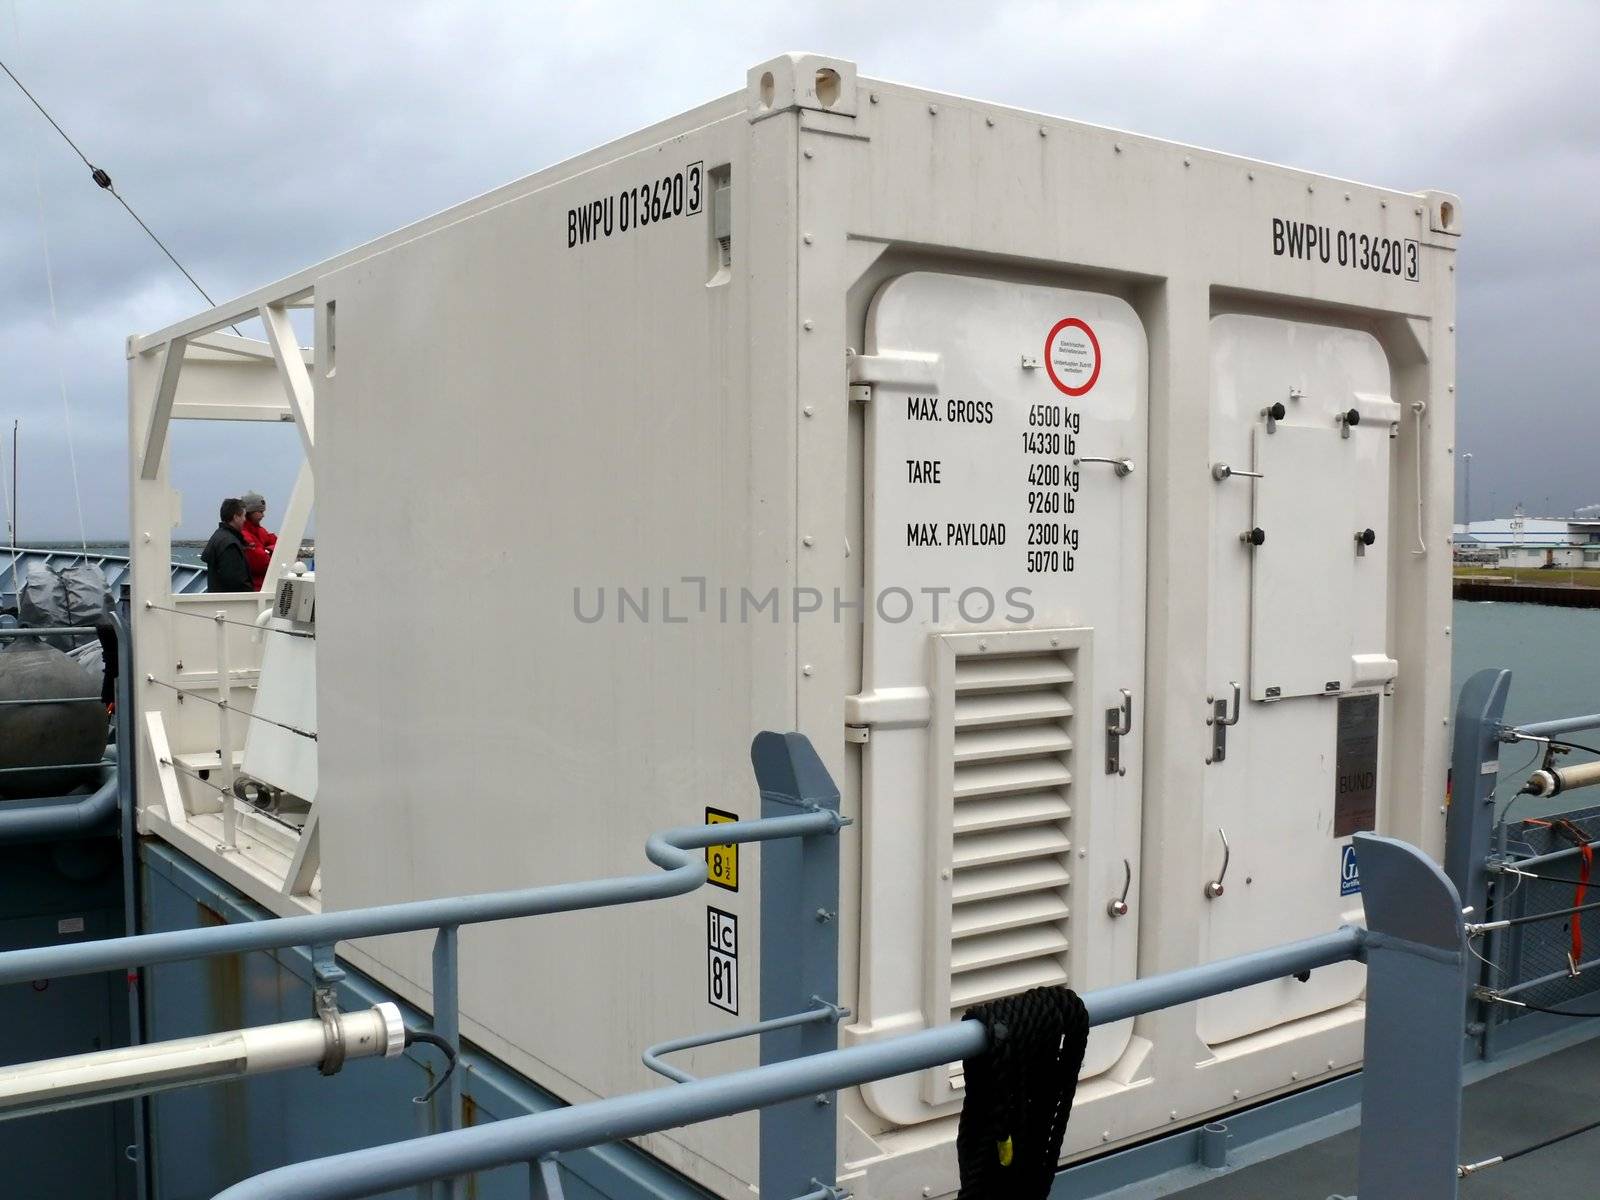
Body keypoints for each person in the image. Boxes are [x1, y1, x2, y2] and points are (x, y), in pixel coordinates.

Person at [202, 498, 252, 592]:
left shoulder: (218, 536)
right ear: (236, 517)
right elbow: (236, 582)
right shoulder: (230, 544)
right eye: (244, 516)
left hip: (217, 600)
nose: (245, 519)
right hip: (230, 604)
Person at [239, 491, 278, 592]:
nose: (263, 515)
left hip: (264, 586)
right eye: (260, 512)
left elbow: (282, 546)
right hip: (255, 590)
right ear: (249, 512)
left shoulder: (260, 531)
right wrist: (271, 551)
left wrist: (266, 550)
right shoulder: (243, 534)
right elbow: (260, 563)